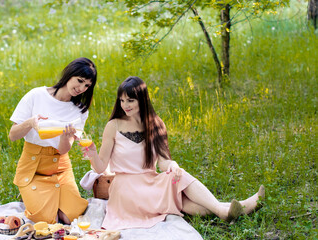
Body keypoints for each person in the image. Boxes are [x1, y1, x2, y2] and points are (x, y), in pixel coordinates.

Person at [83, 76, 265, 230]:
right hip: (126, 188)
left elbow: (163, 162)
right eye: (122, 100)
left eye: (130, 100)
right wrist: (92, 154)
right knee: (180, 199)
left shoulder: (155, 124)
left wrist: (173, 166)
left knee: (178, 179)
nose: (125, 105)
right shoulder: (113, 126)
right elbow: (100, 166)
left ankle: (226, 211)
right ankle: (231, 208)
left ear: (142, 100)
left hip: (150, 181)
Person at [8, 57, 97, 224]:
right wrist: (31, 123)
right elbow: (13, 135)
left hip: (60, 168)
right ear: (69, 74)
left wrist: (65, 137)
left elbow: (64, 150)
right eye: (79, 81)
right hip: (33, 167)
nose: (81, 88)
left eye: (87, 85)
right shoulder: (36, 95)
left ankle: (43, 197)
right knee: (49, 220)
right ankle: (30, 192)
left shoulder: (80, 111)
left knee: (70, 218)